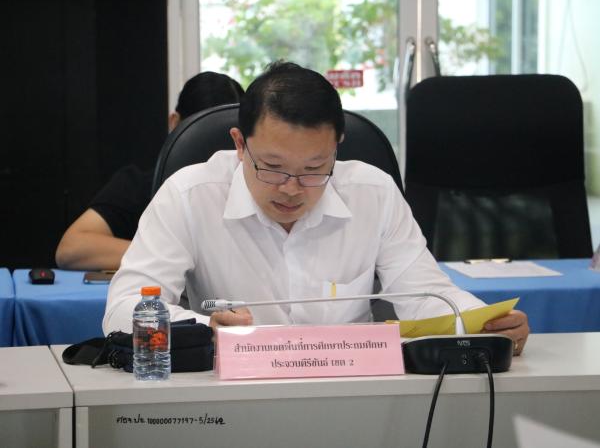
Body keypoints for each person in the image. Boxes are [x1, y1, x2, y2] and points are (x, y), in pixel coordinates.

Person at [103, 61, 529, 354]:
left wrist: (485, 324)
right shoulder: (189, 195)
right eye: (272, 167)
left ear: (336, 147)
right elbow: (123, 310)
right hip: (234, 393)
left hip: (354, 391)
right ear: (239, 144)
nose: (291, 189)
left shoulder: (373, 193)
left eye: (314, 169)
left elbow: (428, 296)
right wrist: (204, 329)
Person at [55, 72, 245, 271]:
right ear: (175, 123)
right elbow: (72, 248)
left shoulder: (258, 191)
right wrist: (170, 256)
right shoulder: (138, 187)